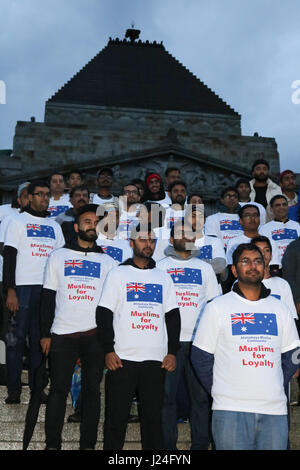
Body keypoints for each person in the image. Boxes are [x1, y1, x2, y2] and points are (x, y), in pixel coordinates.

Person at [191, 243, 300, 450]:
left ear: (265, 266)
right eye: (245, 261)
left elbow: (293, 353)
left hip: (274, 411)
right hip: (230, 410)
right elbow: (200, 356)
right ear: (234, 269)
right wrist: (220, 390)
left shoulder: (280, 309)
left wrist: (276, 382)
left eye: (258, 261)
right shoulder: (217, 307)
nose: (253, 266)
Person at [97, 224, 181, 450]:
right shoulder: (118, 273)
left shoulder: (164, 278)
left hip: (155, 360)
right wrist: (108, 350)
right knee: (116, 420)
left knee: (153, 422)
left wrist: (172, 352)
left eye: (152, 241)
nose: (149, 244)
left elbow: (173, 318)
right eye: (143, 240)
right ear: (132, 243)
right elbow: (104, 314)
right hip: (122, 359)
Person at [40, 204, 116, 450]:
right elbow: (47, 298)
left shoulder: (109, 262)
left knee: (93, 393)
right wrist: (44, 334)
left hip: (95, 336)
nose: (92, 226)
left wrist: (110, 342)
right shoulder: (58, 256)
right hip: (62, 334)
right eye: (87, 221)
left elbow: (112, 307)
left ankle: (88, 446)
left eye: (96, 222)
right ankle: (53, 444)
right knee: (58, 392)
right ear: (76, 227)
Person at [157, 221, 220, 450]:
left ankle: (200, 446)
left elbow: (215, 306)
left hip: (199, 344)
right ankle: (167, 449)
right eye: (181, 233)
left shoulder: (205, 269)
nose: (187, 236)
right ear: (171, 240)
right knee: (166, 399)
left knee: (201, 399)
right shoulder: (159, 267)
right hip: (168, 344)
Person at [2, 180, 65, 404]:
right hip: (22, 288)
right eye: (40, 194)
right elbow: (9, 256)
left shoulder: (55, 226)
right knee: (16, 340)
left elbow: (60, 262)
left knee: (42, 341)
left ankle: (38, 389)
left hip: (47, 290)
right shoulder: (16, 221)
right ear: (28, 197)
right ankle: (14, 389)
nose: (45, 198)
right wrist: (10, 290)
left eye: (47, 195)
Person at [250, 236, 297, 320]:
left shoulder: (282, 284)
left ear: (271, 256)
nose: (263, 254)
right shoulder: (242, 283)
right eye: (258, 250)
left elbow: (291, 317)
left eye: (266, 250)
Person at [185, 204, 226, 277]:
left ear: (204, 221)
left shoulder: (215, 241)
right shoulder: (179, 242)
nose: (197, 220)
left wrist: (188, 266)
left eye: (200, 217)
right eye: (193, 216)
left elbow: (220, 265)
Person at [259, 195, 300, 263]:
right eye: (278, 205)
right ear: (271, 209)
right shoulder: (264, 229)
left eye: (284, 204)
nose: (281, 207)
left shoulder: (297, 226)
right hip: (276, 268)